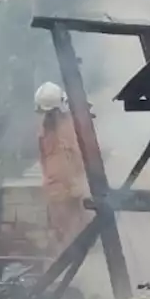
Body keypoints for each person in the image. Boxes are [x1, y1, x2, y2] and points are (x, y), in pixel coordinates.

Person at [35, 82, 91, 251]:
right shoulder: (43, 131)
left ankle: (77, 263)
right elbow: (44, 159)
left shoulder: (71, 127)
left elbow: (80, 157)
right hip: (55, 191)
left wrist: (77, 186)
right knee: (62, 235)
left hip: (72, 191)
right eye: (47, 113)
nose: (49, 116)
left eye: (52, 112)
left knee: (76, 234)